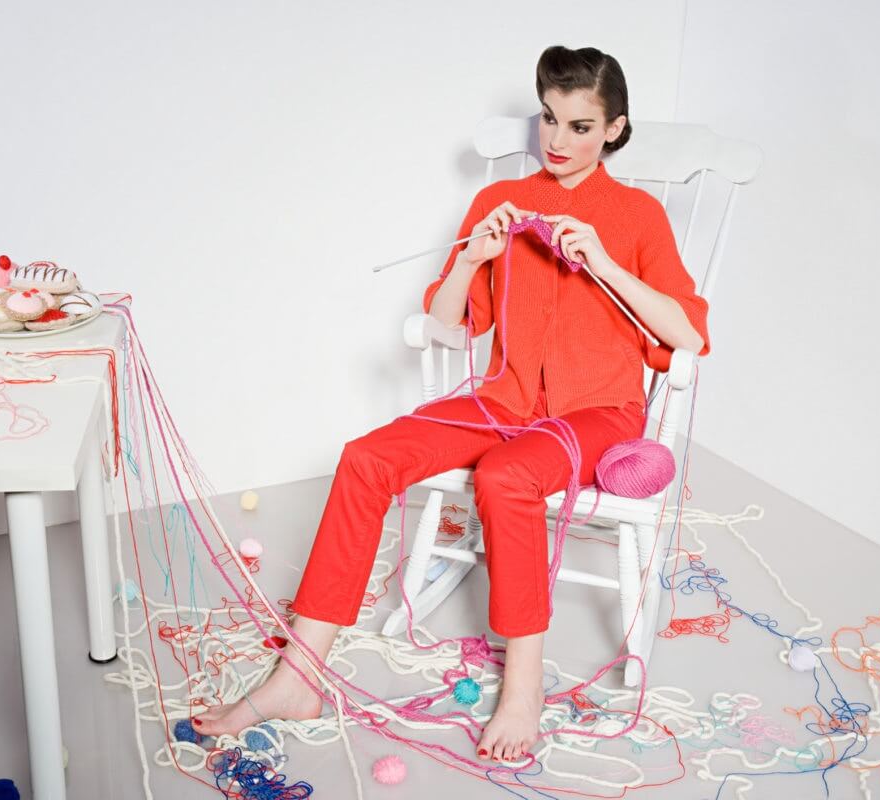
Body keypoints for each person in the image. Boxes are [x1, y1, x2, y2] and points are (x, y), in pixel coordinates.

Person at [193, 45, 711, 764]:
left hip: (596, 413)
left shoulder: (637, 214)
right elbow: (443, 318)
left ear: (616, 130)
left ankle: (522, 682)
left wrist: (605, 262)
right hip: (503, 398)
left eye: (582, 127)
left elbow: (688, 334)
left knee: (507, 477)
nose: (559, 142)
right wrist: (473, 256)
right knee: (366, 458)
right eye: (549, 120)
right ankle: (298, 675)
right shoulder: (497, 202)